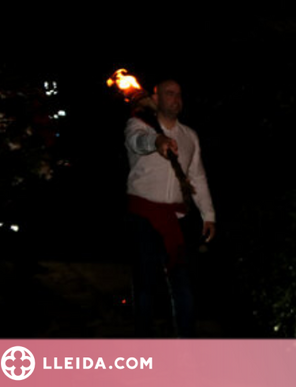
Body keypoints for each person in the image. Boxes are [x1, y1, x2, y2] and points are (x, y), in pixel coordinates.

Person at [124, 79, 216, 337]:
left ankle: (185, 343)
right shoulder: (138, 125)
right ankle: (144, 343)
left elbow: (197, 176)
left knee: (183, 284)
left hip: (177, 219)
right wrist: (157, 141)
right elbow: (137, 141)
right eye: (169, 94)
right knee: (145, 285)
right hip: (143, 217)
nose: (175, 99)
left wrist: (208, 215)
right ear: (157, 98)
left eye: (179, 94)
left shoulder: (189, 136)